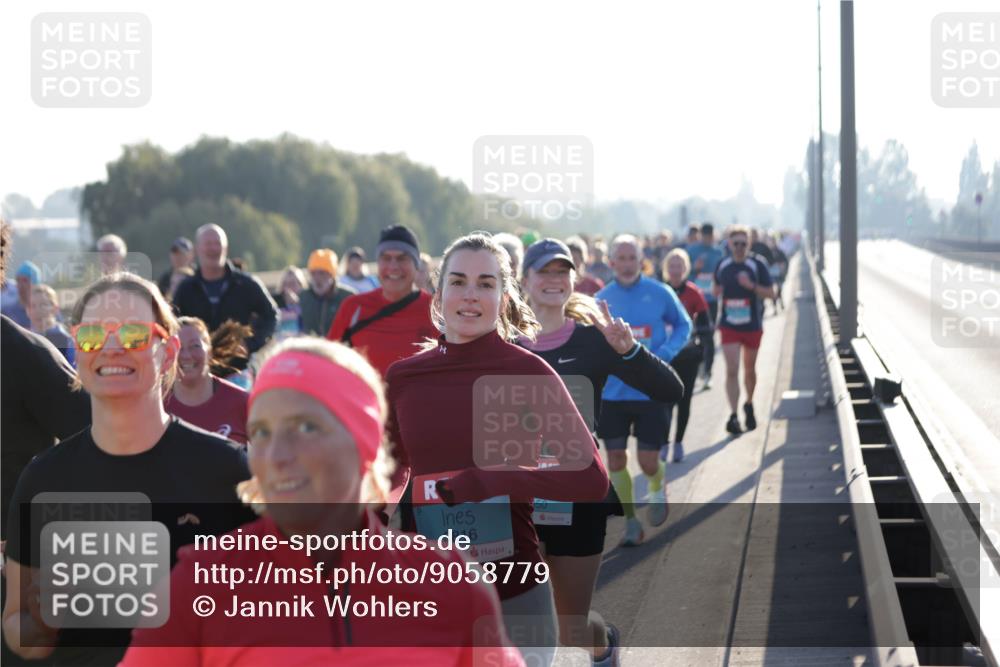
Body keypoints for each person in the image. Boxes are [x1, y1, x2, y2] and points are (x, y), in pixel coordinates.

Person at [121, 337, 525, 666]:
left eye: (306, 427)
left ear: (361, 442)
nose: (276, 454)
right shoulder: (199, 583)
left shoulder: (449, 582)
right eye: (260, 431)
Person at [2, 272, 252, 665]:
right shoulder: (43, 480)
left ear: (167, 352)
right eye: (92, 335)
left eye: (134, 334)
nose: (111, 348)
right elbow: (18, 632)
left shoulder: (229, 472)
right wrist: (42, 620)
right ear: (77, 350)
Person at [386, 233, 609, 666]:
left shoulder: (527, 371)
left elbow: (591, 479)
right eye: (459, 281)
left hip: (516, 589)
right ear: (439, 291)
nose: (471, 296)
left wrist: (494, 478)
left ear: (504, 296)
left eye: (486, 284)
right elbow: (390, 470)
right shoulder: (404, 377)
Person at [519, 238, 683, 666]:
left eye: (562, 272)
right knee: (525, 620)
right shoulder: (506, 345)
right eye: (544, 272)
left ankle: (604, 644)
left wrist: (628, 351)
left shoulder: (594, 340)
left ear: (574, 279)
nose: (554, 280)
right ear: (525, 280)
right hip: (517, 498)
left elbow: (671, 389)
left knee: (570, 627)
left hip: (578, 496)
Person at [596, 234, 692, 547]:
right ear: (611, 262)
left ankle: (656, 485)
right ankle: (632, 524)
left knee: (648, 461)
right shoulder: (600, 300)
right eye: (620, 258)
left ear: (642, 261)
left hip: (651, 392)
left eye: (631, 258)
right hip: (612, 394)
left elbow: (683, 325)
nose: (626, 264)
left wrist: (663, 355)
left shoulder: (659, 292)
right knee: (616, 461)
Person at [326, 225, 436, 377]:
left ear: (416, 265)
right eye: (386, 258)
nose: (393, 267)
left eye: (402, 258)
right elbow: (328, 363)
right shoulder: (353, 307)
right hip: (366, 400)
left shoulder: (435, 309)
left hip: (419, 400)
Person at [172, 223, 279, 360]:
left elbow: (271, 315)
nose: (213, 248)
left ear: (226, 248)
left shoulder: (246, 284)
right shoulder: (186, 288)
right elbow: (172, 324)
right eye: (208, 244)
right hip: (197, 368)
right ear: (197, 249)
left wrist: (251, 344)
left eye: (217, 243)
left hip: (238, 370)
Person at [714, 226, 776, 434]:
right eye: (735, 243)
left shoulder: (757, 264)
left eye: (743, 243)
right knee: (732, 369)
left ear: (749, 244)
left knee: (749, 370)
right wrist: (717, 291)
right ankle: (733, 416)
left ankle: (748, 403)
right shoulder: (723, 265)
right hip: (729, 325)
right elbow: (715, 289)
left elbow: (771, 293)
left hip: (752, 325)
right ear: (729, 244)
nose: (739, 248)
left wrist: (751, 286)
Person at [165, 316, 251, 445]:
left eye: (195, 346)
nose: (186, 355)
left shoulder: (242, 402)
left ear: (209, 351)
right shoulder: (156, 404)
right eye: (178, 348)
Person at [662, 249, 712, 463]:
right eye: (671, 266)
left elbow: (705, 326)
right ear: (666, 269)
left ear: (686, 269)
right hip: (664, 355)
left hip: (688, 355)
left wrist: (702, 352)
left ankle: (679, 442)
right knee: (664, 401)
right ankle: (663, 442)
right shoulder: (660, 292)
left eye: (679, 266)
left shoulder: (694, 293)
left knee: (684, 400)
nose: (675, 270)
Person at [686, 222, 724, 389]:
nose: (708, 240)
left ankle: (708, 372)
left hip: (711, 300)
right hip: (693, 300)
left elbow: (722, 273)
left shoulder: (718, 252)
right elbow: (683, 273)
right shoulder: (692, 250)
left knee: (709, 335)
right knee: (693, 335)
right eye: (705, 237)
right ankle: (698, 365)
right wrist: (694, 269)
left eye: (711, 237)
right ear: (701, 235)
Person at [299, 248, 356, 336]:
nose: (317, 278)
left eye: (322, 273)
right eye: (313, 273)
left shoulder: (348, 297)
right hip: (310, 347)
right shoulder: (303, 297)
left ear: (332, 274)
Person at [28, 284, 74, 365]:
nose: (37, 310)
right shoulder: (25, 338)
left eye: (43, 305)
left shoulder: (66, 340)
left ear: (55, 309)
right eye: (33, 306)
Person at [1, 261, 40, 329]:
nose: (21, 285)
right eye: (18, 280)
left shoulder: (46, 311)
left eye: (25, 280)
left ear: (35, 283)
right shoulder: (7, 312)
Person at [272, 265, 308, 338]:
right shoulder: (274, 303)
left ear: (300, 285)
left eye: (292, 284)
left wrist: (297, 303)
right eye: (285, 284)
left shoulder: (307, 302)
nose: (288, 288)